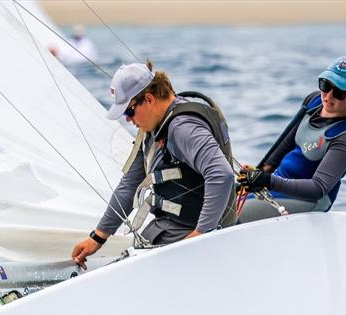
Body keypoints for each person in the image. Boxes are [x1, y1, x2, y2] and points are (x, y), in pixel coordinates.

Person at [71, 61, 237, 268]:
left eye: (129, 112)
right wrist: (98, 237)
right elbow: (129, 185)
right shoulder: (155, 127)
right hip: (175, 228)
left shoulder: (182, 127)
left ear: (148, 99)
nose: (128, 120)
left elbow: (222, 174)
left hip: (190, 232)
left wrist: (201, 235)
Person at [238, 56, 346, 222]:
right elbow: (286, 142)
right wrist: (258, 175)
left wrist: (268, 181)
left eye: (339, 92)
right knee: (211, 197)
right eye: (325, 85)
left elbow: (318, 188)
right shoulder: (314, 101)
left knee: (229, 214)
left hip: (308, 200)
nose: (328, 96)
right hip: (277, 184)